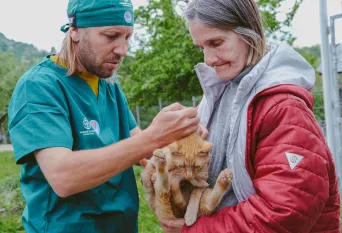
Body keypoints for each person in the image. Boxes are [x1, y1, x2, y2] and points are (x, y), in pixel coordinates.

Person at [7, 0, 202, 232]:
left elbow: (139, 148)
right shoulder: (39, 86)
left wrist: (180, 140)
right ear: (75, 31)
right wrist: (154, 137)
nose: (123, 50)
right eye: (111, 36)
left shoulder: (108, 84)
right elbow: (64, 177)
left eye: (127, 37)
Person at [156, 0, 341, 232]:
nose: (209, 59)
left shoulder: (283, 107)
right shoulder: (220, 92)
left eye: (216, 43)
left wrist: (195, 230)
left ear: (248, 33)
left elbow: (285, 212)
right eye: (202, 47)